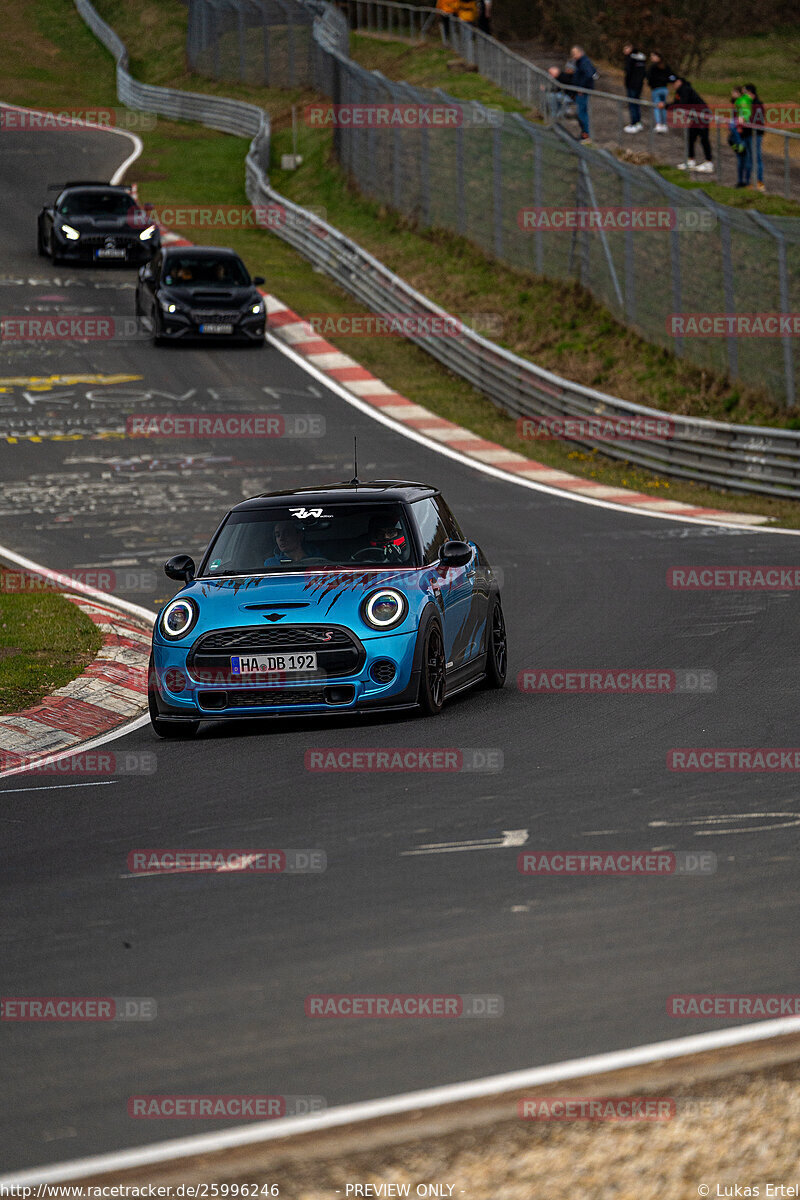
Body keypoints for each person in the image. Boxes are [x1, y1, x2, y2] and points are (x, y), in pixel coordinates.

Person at [668, 78, 714, 172]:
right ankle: (691, 161)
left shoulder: (685, 89)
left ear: (679, 82)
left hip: (702, 115)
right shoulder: (679, 92)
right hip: (694, 117)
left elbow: (682, 104)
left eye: (674, 82)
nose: (673, 85)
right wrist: (665, 106)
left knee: (704, 139)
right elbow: (676, 104)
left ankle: (709, 163)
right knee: (690, 137)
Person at [569, 45, 597, 142]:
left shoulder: (584, 62)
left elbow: (589, 74)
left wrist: (582, 87)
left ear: (580, 52)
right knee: (581, 112)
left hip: (582, 92)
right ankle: (584, 133)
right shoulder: (579, 62)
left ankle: (586, 134)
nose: (573, 56)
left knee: (582, 113)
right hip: (579, 90)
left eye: (574, 54)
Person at [744, 83, 766, 192]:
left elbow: (757, 120)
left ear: (750, 93)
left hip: (755, 135)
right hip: (748, 134)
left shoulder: (757, 104)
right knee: (750, 158)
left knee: (757, 159)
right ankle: (749, 182)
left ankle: (760, 183)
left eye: (745, 93)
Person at [647, 51, 674, 133]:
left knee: (657, 106)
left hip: (657, 89)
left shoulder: (653, 67)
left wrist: (651, 84)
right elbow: (671, 76)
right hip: (664, 89)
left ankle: (659, 124)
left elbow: (649, 78)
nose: (651, 58)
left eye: (653, 56)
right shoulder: (666, 67)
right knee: (663, 106)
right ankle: (664, 125)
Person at [623, 43, 647, 133]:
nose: (624, 50)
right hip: (639, 85)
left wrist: (627, 83)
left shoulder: (630, 58)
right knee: (636, 103)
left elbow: (628, 71)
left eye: (626, 48)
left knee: (632, 104)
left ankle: (634, 123)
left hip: (632, 85)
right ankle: (638, 123)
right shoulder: (641, 58)